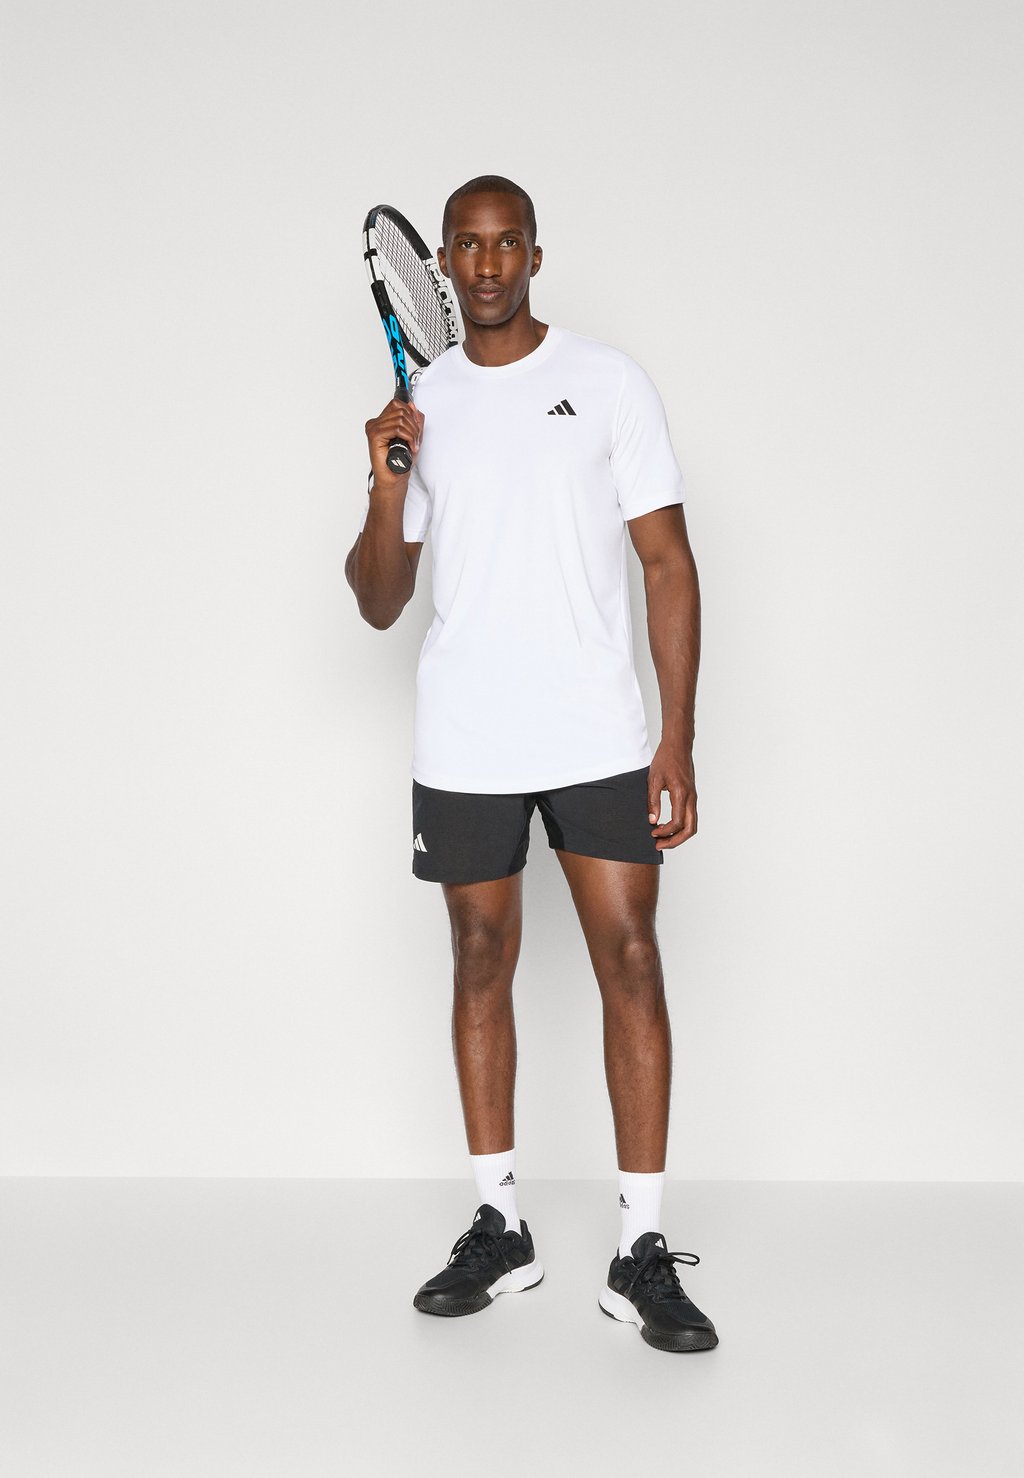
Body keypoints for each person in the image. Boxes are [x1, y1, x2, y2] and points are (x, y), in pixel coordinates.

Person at [345, 175, 717, 1353]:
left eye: (509, 244)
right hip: (467, 738)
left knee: (631, 957)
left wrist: (675, 734)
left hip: (599, 733)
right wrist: (387, 479)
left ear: (536, 257)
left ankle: (639, 1248)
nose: (489, 264)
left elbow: (667, 561)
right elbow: (377, 599)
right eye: (469, 245)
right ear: (444, 265)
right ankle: (499, 1224)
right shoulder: (422, 406)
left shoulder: (608, 382)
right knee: (477, 958)